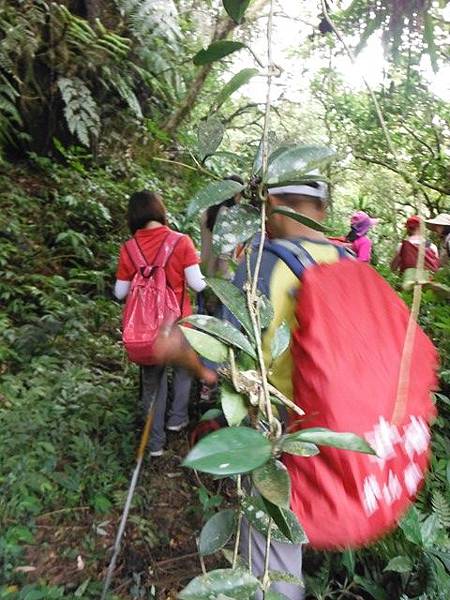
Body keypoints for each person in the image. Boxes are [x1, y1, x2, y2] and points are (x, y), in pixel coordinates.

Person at [114, 190, 206, 457]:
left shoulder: (129, 248)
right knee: (185, 367)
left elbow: (120, 293)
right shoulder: (182, 242)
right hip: (178, 324)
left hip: (145, 331)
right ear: (160, 210)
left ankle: (155, 445)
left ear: (133, 216)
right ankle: (177, 418)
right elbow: (197, 284)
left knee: (152, 385)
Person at [200, 174, 244, 279]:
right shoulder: (228, 216)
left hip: (204, 271)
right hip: (219, 278)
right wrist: (230, 277)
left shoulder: (206, 212)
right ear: (236, 193)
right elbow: (223, 256)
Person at [391, 215, 439, 285]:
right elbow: (436, 267)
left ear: (408, 229)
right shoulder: (432, 246)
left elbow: (393, 267)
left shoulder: (402, 246)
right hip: (428, 282)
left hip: (408, 282)